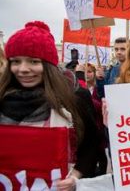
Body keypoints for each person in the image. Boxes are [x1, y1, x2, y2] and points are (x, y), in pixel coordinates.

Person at [0, 21, 99, 190]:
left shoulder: (74, 98)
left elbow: (91, 144)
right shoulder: (3, 98)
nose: (23, 69)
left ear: (49, 65)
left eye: (33, 62)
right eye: (16, 61)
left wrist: (75, 177)